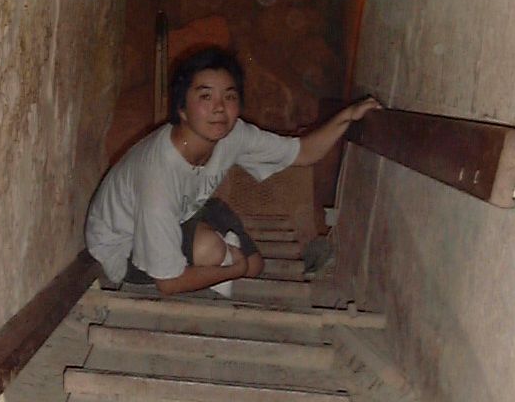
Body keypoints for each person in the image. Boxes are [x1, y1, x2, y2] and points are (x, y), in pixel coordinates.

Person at [85, 46, 379, 297]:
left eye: (229, 96)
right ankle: (217, 256)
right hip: (124, 250)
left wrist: (347, 117)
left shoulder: (232, 134)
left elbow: (302, 152)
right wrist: (233, 269)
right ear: (182, 109)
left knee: (255, 267)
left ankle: (218, 254)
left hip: (185, 212)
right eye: (205, 97)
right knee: (217, 255)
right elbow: (168, 282)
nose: (219, 109)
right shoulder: (159, 177)